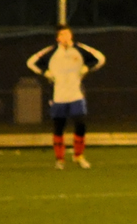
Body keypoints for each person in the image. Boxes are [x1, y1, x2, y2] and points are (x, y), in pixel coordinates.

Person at [26, 25, 106, 169]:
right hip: (59, 97)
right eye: (62, 35)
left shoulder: (79, 49)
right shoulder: (51, 52)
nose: (65, 37)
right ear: (58, 38)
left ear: (71, 35)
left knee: (80, 125)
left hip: (76, 95)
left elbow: (100, 58)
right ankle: (60, 160)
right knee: (59, 127)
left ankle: (78, 156)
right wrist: (45, 73)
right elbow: (31, 62)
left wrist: (87, 68)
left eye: (67, 34)